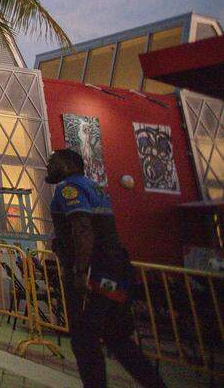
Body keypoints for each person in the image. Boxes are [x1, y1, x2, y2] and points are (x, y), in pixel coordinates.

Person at [46, 148, 166, 388]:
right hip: (116, 272)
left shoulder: (69, 188)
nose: (49, 165)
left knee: (84, 340)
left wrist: (81, 272)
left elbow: (82, 228)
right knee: (117, 338)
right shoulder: (96, 188)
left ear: (69, 165)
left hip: (93, 275)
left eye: (53, 161)